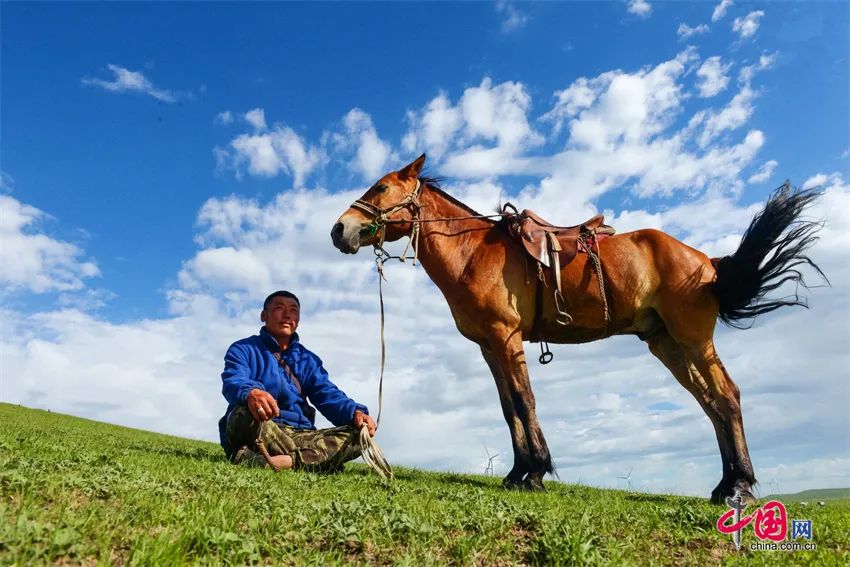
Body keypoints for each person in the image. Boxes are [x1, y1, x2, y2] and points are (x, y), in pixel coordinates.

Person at [218, 290, 376, 472]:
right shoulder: (243, 349)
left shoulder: (307, 359)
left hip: (299, 434)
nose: (287, 315)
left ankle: (274, 462)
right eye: (279, 308)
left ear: (298, 319)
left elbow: (327, 394)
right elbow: (233, 380)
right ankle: (317, 462)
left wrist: (354, 413)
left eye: (293, 310)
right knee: (241, 414)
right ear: (263, 315)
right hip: (263, 426)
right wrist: (252, 392)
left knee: (359, 435)